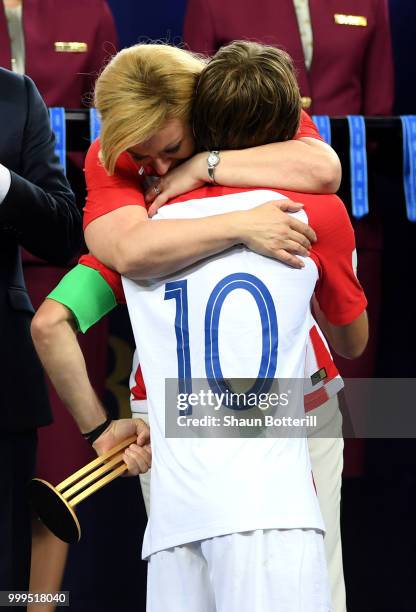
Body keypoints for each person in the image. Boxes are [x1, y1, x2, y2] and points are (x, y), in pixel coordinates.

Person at [32, 41, 368, 611]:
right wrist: (240, 223)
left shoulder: (161, 211)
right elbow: (132, 251)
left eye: (171, 149)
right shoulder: (307, 214)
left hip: (175, 413)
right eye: (144, 160)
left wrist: (203, 172)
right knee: (318, 590)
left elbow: (57, 318)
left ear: (207, 110)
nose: (156, 171)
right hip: (283, 410)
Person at [0, 67, 81, 598]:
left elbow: (62, 233)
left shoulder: (15, 95)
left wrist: (2, 183)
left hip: (1, 384)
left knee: (7, 578)